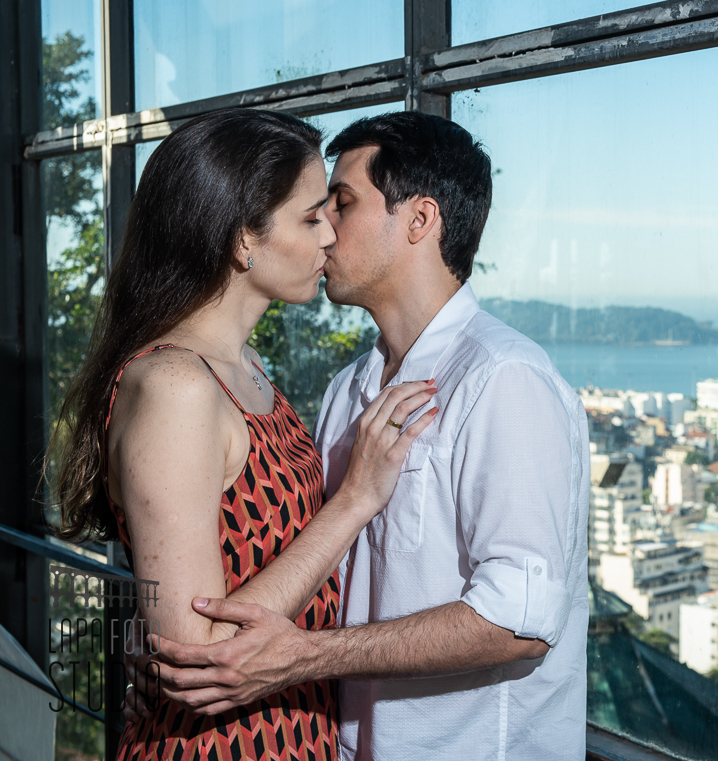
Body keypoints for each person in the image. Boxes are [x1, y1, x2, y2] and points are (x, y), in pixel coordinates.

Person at [126, 111, 592, 759]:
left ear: (420, 220)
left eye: (340, 203)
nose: (325, 228)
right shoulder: (350, 388)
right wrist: (158, 635)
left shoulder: (502, 378)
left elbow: (520, 619)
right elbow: (281, 548)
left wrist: (302, 657)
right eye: (315, 210)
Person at [53, 108, 436, 760]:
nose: (331, 237)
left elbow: (210, 562)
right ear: (242, 240)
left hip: (287, 730)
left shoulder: (245, 366)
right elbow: (200, 649)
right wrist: (354, 501)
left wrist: (145, 622)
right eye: (311, 216)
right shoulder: (178, 383)